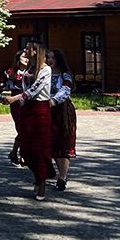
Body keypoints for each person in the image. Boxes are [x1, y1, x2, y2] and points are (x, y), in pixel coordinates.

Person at [5, 43, 54, 200]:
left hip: (40, 109)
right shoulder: (29, 68)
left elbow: (35, 90)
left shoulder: (46, 69)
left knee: (39, 147)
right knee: (25, 147)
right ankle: (37, 175)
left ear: (35, 51)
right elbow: (24, 87)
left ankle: (42, 181)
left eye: (28, 49)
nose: (25, 51)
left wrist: (15, 98)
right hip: (27, 109)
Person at [47, 49, 76, 192]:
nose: (50, 60)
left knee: (63, 141)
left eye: (53, 57)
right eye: (48, 57)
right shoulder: (44, 74)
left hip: (62, 111)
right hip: (47, 109)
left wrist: (54, 100)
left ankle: (62, 177)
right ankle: (58, 173)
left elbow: (66, 89)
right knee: (51, 142)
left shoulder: (66, 75)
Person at [5, 50, 31, 166]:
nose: (26, 59)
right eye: (24, 57)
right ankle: (21, 154)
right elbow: (6, 85)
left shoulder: (32, 71)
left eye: (28, 57)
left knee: (27, 128)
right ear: (18, 58)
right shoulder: (11, 71)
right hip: (16, 102)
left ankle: (15, 152)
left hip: (29, 101)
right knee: (21, 128)